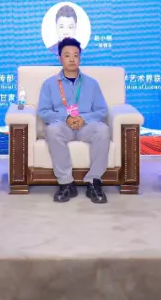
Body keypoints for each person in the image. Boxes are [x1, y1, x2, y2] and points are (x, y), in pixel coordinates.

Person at [38, 37, 110, 203]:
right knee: (52, 130)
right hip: (63, 125)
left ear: (80, 58)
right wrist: (66, 118)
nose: (72, 59)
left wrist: (84, 118)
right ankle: (66, 183)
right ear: (60, 58)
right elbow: (43, 111)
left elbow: (102, 110)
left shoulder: (92, 83)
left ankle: (94, 182)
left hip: (86, 126)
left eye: (75, 55)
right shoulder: (49, 84)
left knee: (103, 130)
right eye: (67, 55)